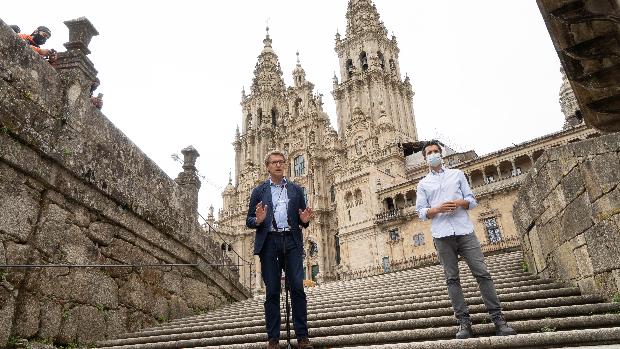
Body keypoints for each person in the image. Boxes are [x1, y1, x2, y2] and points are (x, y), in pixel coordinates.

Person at [415, 140, 516, 339]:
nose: (433, 154)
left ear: (441, 154)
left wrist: (460, 202)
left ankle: (498, 319)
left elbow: (471, 200)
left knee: (483, 273)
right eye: (429, 152)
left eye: (436, 151)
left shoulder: (457, 174)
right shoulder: (423, 184)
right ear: (424, 157)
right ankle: (463, 322)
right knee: (452, 279)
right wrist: (437, 209)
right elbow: (420, 212)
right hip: (442, 235)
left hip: (464, 231)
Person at [246, 150, 314, 349]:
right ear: (267, 166)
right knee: (272, 292)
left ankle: (302, 337)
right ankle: (273, 340)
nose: (278, 165)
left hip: (291, 240)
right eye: (274, 162)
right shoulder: (258, 192)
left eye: (281, 162)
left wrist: (304, 221)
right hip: (269, 243)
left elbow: (303, 216)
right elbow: (249, 220)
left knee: (298, 289)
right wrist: (257, 220)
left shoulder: (296, 190)